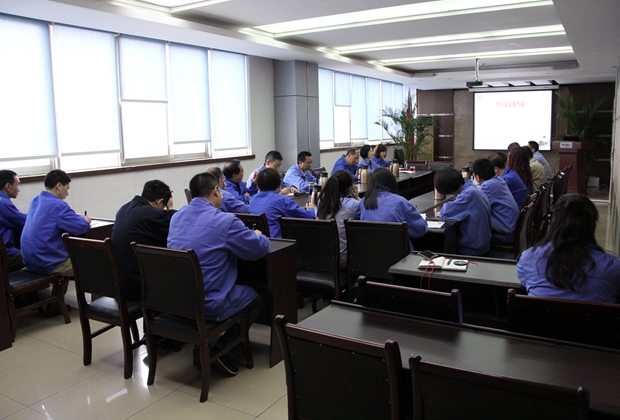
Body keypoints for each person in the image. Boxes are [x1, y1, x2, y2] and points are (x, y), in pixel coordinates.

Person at [168, 172, 270, 375]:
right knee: (259, 296)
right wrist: (258, 235)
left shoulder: (177, 216)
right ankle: (222, 349)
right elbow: (258, 249)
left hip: (179, 299)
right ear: (216, 191)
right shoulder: (225, 221)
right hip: (209, 303)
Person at [516, 194, 620, 303]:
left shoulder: (529, 259)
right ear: (593, 227)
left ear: (554, 223)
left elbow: (526, 283)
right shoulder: (613, 268)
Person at [112, 180, 175, 300]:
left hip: (118, 282)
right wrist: (170, 209)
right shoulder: (154, 214)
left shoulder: (123, 209)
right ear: (159, 202)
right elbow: (174, 235)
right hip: (138, 285)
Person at [21, 170, 91, 276]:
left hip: (30, 261)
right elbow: (81, 227)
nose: (67, 193)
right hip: (48, 263)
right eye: (67, 188)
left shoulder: (35, 201)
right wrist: (86, 220)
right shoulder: (58, 205)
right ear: (58, 186)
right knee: (94, 264)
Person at [355, 168, 427, 242]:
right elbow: (420, 229)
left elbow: (356, 224)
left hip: (369, 247)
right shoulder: (400, 202)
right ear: (392, 182)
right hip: (398, 248)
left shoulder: (364, 202)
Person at [435, 167, 491, 256]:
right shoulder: (472, 188)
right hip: (482, 245)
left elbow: (445, 213)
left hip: (472, 249)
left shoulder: (468, 195)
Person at [250, 168, 316, 238]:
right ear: (278, 183)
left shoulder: (253, 200)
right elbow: (305, 216)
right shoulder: (281, 200)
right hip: (278, 242)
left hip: (259, 240)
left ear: (258, 185)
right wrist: (312, 209)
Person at [316, 170, 361, 267]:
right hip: (344, 260)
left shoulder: (321, 203)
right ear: (350, 188)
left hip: (321, 258)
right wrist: (357, 198)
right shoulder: (355, 205)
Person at [472, 158, 519, 244]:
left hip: (505, 234)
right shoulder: (499, 180)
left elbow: (473, 206)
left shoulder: (487, 186)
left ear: (477, 178)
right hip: (512, 229)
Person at [0, 170, 27, 271]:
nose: (18, 189)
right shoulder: (3, 203)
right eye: (17, 185)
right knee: (38, 255)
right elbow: (24, 221)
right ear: (8, 186)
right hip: (5, 255)